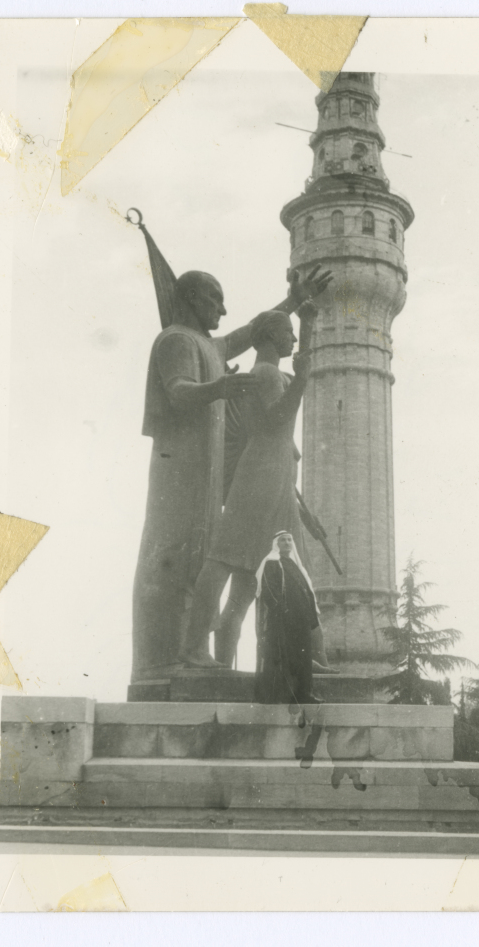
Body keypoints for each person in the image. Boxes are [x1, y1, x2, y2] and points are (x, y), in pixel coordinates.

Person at [131, 262, 332, 683]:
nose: (222, 310)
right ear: (189, 298)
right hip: (180, 467)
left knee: (207, 557)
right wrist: (218, 388)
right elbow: (180, 390)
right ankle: (171, 655)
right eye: (214, 299)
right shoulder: (177, 340)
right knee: (178, 552)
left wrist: (293, 303)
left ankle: (194, 650)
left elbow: (249, 333)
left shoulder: (208, 344)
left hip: (209, 469)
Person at [180, 306, 334, 669]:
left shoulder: (271, 373)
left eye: (295, 334)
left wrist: (308, 326)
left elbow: (287, 444)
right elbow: (279, 420)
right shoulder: (265, 374)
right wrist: (300, 379)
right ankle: (196, 649)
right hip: (259, 480)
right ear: (266, 336)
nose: (292, 339)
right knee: (229, 562)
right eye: (287, 332)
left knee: (250, 581)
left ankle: (309, 656)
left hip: (274, 479)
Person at [254, 532, 323, 705]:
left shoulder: (295, 565)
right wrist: (282, 611)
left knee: (304, 658)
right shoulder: (272, 563)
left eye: (289, 540)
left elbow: (306, 592)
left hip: (301, 621)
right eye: (283, 540)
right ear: (276, 544)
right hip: (283, 621)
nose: (287, 543)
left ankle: (304, 694)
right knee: (281, 656)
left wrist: (310, 617)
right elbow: (268, 590)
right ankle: (277, 695)